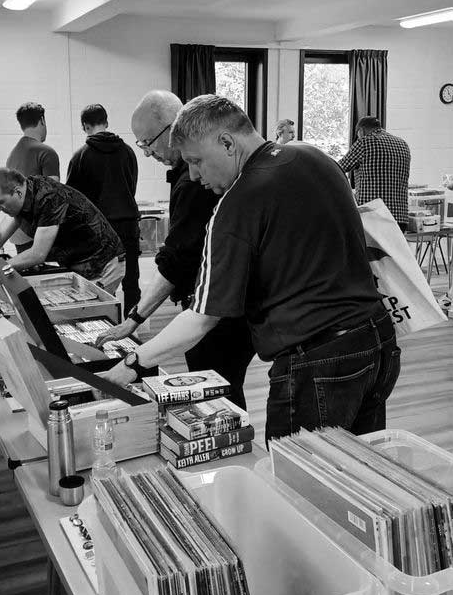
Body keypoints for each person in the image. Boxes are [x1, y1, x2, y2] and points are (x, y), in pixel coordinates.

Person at [101, 95, 400, 442]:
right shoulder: (313, 155)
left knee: (295, 486)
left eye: (196, 161)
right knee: (361, 472)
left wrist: (132, 363)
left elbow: (202, 318)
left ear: (227, 142)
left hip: (317, 361)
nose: (194, 176)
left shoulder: (237, 203)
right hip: (377, 341)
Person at [95, 90, 254, 410]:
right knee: (221, 388)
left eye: (146, 142)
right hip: (225, 307)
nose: (146, 152)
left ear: (172, 129)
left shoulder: (198, 181)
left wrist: (134, 329)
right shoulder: (198, 176)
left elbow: (180, 260)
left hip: (225, 312)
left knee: (218, 393)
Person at [0, 168, 124, 293]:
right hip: (80, 264)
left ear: (17, 192)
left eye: (0, 203)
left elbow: (37, 254)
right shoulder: (25, 196)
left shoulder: (48, 198)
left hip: (103, 263)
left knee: (95, 316)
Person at [66, 104, 140, 316]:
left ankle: (105, 324)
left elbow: (73, 199)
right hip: (128, 226)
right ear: (106, 122)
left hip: (99, 231)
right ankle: (131, 329)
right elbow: (131, 186)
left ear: (85, 126)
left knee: (101, 283)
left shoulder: (80, 156)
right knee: (131, 282)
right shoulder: (128, 152)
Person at [339, 116, 411, 232]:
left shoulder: (365, 142)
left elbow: (339, 168)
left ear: (361, 131)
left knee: (368, 250)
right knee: (393, 251)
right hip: (399, 218)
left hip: (373, 217)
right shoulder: (403, 144)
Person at [6, 102, 60, 253]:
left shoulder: (12, 155)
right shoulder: (46, 153)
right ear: (42, 120)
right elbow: (52, 198)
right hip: (36, 236)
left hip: (17, 232)